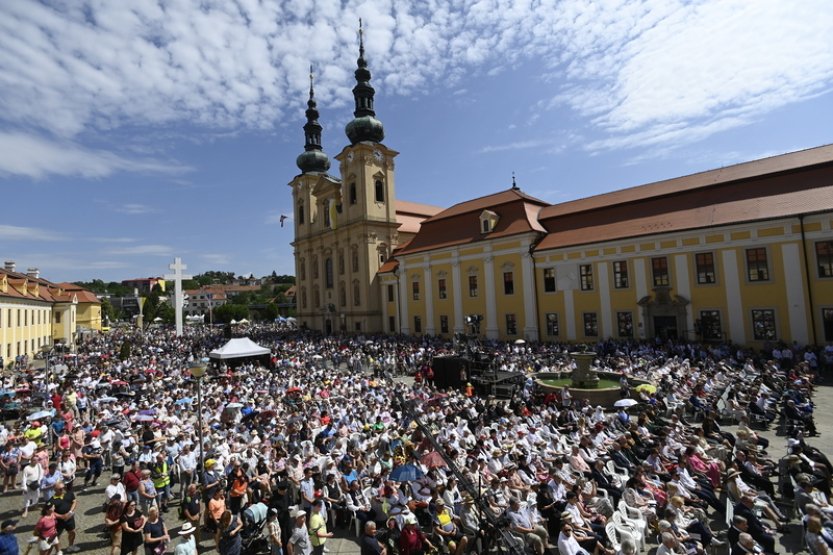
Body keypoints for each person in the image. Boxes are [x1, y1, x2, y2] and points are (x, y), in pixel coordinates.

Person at [51, 482, 79, 553]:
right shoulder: (52, 500)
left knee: (72, 532)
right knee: (56, 537)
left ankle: (70, 546)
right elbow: (50, 512)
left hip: (69, 519)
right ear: (55, 490)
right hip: (59, 522)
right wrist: (61, 516)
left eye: (64, 487)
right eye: (60, 489)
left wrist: (70, 512)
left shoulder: (69, 493)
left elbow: (74, 501)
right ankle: (58, 551)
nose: (63, 490)